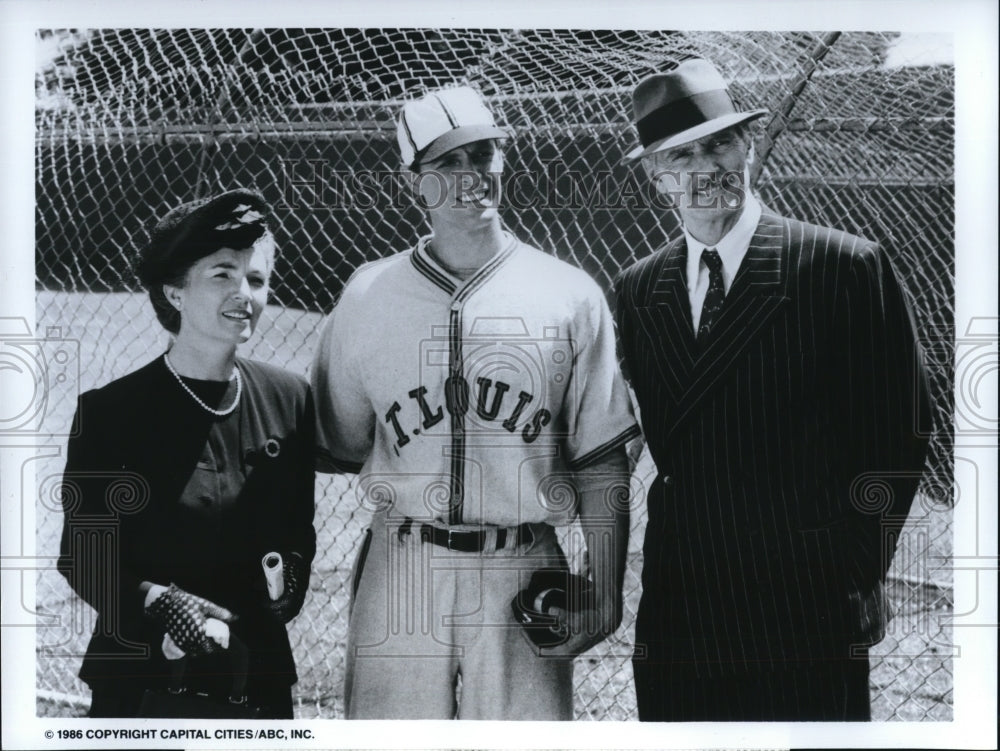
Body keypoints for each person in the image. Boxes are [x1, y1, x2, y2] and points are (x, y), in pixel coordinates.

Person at [614, 58, 931, 721]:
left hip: (802, 599)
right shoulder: (639, 288)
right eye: (681, 153)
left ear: (749, 143)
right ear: (654, 174)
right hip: (682, 603)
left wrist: (860, 567)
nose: (706, 166)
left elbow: (897, 433)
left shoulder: (840, 265)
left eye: (720, 142)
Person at [311, 85, 640, 720]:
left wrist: (605, 588)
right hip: (404, 563)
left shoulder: (568, 294)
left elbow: (603, 459)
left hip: (523, 566)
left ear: (503, 158)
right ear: (415, 183)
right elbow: (338, 442)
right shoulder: (367, 295)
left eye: (483, 153)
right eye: (446, 163)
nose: (470, 176)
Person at [57, 189, 317, 718]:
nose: (244, 293)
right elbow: (83, 556)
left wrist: (283, 587)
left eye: (257, 279)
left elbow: (297, 533)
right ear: (175, 292)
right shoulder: (112, 412)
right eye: (222, 274)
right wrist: (160, 603)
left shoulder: (289, 397)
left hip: (255, 675)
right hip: (144, 677)